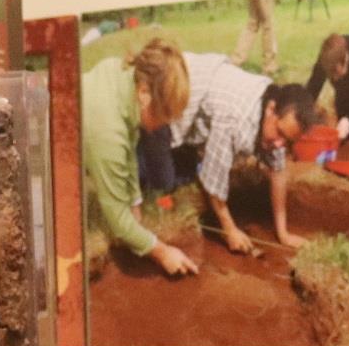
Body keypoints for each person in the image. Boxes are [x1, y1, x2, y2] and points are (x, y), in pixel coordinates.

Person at [172, 52, 316, 256]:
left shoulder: (275, 116)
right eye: (280, 133)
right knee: (162, 177)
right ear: (271, 109)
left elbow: (278, 171)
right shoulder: (235, 120)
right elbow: (214, 176)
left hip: (206, 98)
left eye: (288, 141)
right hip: (177, 84)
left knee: (184, 170)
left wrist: (283, 234)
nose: (279, 144)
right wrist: (229, 229)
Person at [81, 37, 199, 278]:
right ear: (144, 93)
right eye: (163, 115)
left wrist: (135, 200)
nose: (163, 125)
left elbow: (132, 140)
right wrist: (163, 251)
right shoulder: (108, 132)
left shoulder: (124, 74)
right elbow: (116, 217)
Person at [304, 32, 349, 143]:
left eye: (336, 72)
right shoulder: (326, 59)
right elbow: (312, 90)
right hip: (343, 100)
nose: (334, 78)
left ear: (345, 59)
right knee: (343, 137)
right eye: (330, 75)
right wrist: (303, 115)